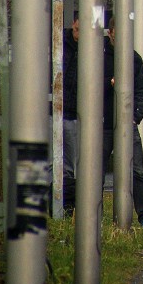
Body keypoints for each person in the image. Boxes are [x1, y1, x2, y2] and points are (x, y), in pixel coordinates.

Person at [103, 25, 143, 229]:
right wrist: (108, 83)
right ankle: (92, 217)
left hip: (126, 122)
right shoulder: (98, 54)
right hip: (101, 123)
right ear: (110, 32)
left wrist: (136, 116)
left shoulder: (134, 58)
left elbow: (141, 88)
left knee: (136, 169)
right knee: (95, 170)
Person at [62, 13, 79, 212]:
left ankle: (68, 204)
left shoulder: (91, 49)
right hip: (58, 108)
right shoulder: (62, 45)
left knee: (70, 162)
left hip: (74, 112)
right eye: (76, 29)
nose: (78, 34)